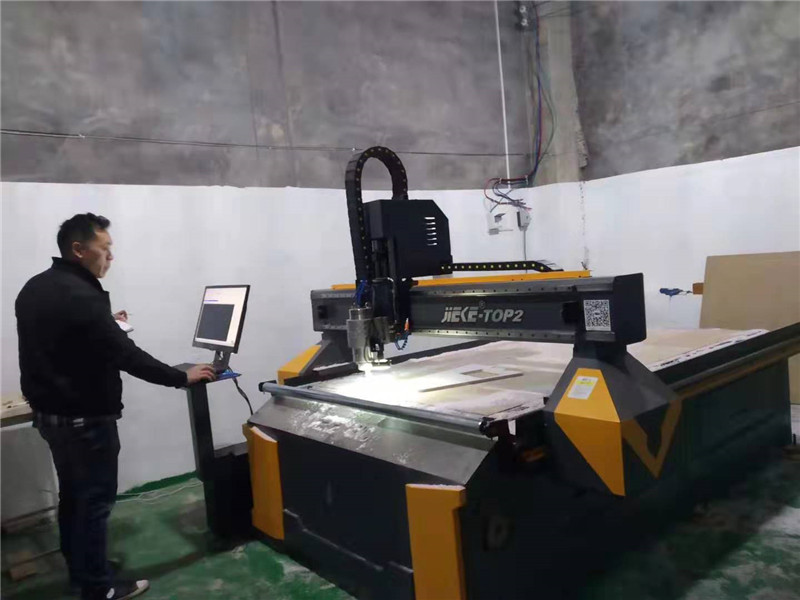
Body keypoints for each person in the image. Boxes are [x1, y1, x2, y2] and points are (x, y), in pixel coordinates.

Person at [15, 213, 216, 600]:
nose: (110, 256)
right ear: (78, 249)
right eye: (104, 248)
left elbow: (63, 337)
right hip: (84, 420)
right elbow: (126, 355)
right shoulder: (81, 296)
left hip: (52, 416)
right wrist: (181, 377)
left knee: (74, 497)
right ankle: (98, 588)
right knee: (94, 502)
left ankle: (83, 570)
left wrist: (104, 321)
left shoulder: (37, 287)